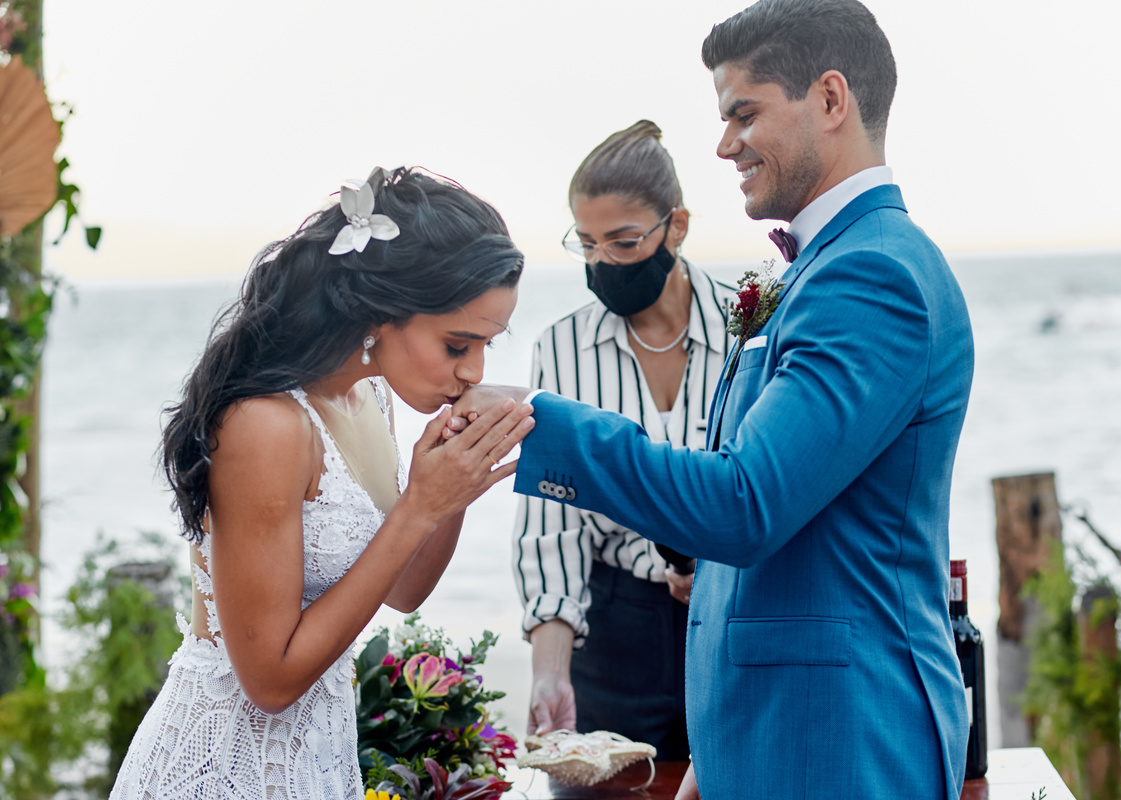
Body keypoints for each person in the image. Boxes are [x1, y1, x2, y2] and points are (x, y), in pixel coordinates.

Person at [451, 1, 974, 797]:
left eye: (744, 113)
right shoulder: (817, 270)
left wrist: (538, 418)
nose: (725, 143)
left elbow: (744, 503)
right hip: (766, 734)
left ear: (831, 100)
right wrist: (715, 751)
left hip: (836, 739)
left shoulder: (873, 278)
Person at [110, 167, 534, 800]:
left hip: (319, 763)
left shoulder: (370, 399)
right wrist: (420, 506)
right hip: (219, 770)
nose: (472, 371)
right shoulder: (267, 424)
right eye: (456, 345)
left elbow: (406, 589)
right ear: (381, 312)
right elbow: (271, 682)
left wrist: (451, 485)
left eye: (485, 349)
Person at [514, 120, 735, 760]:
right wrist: (550, 672)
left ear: (677, 226)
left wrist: (721, 564)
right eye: (585, 244)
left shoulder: (753, 329)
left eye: (622, 241)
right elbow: (551, 524)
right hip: (617, 636)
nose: (602, 263)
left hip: (736, 622)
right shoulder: (559, 348)